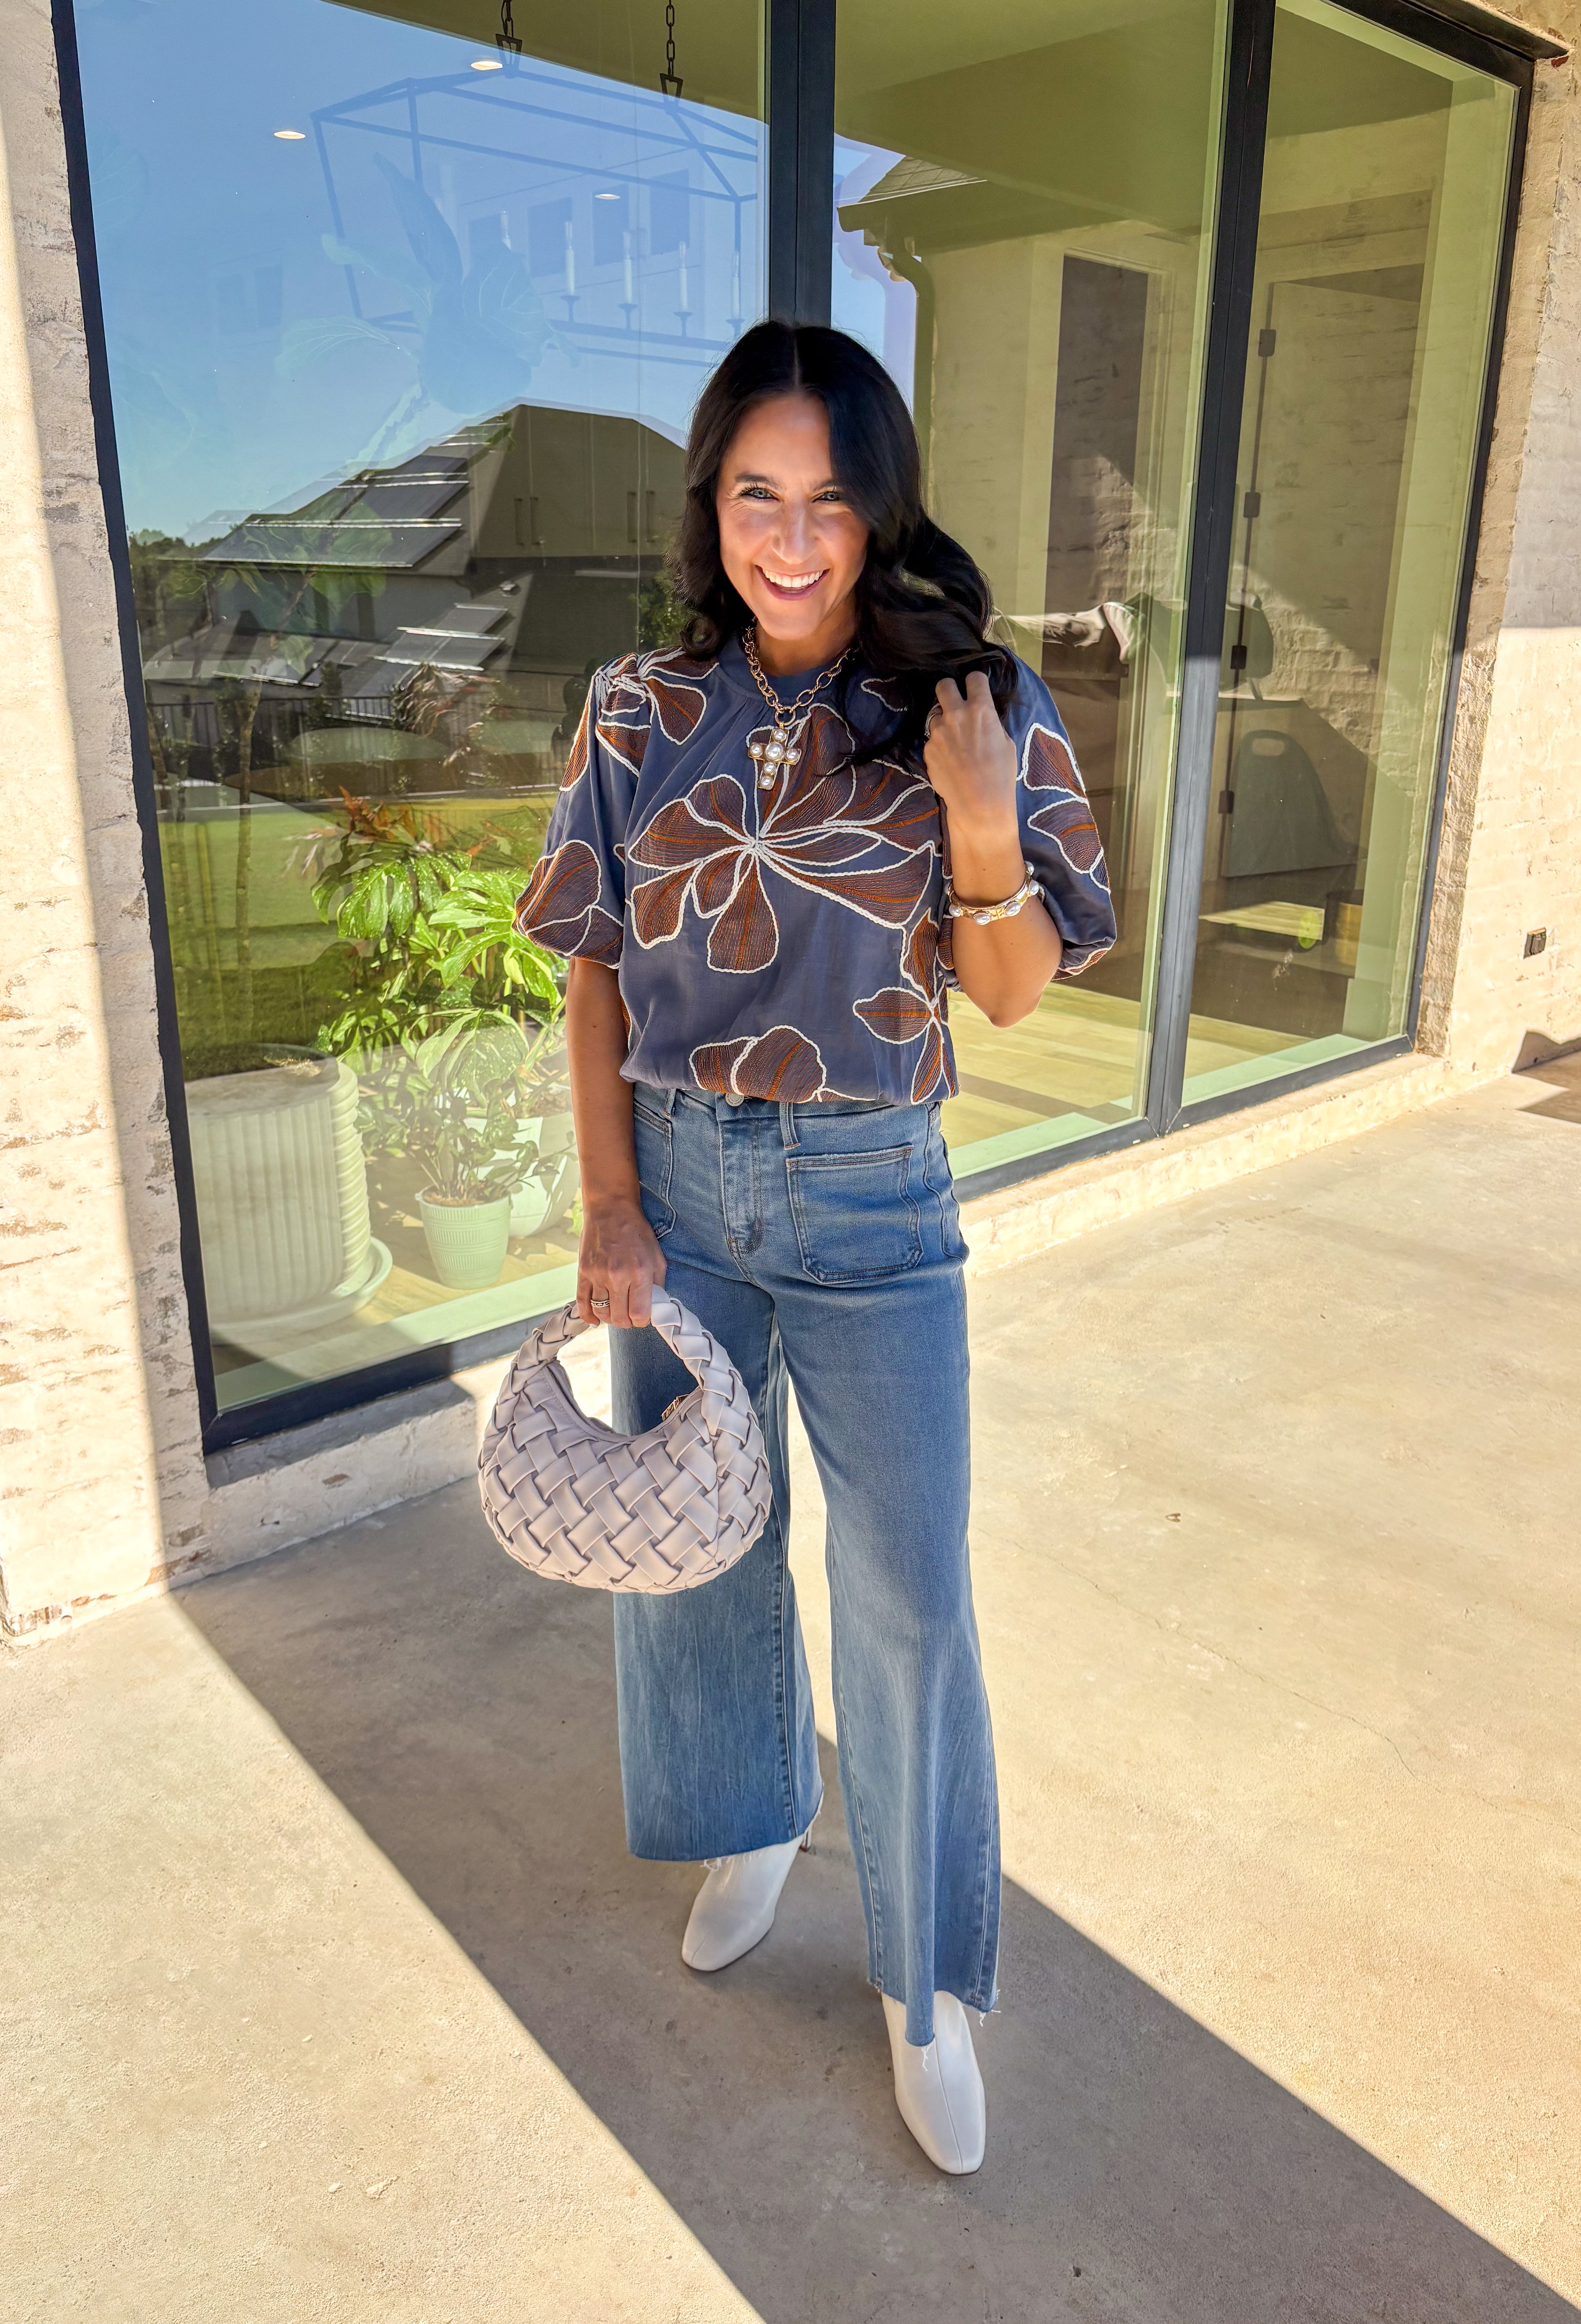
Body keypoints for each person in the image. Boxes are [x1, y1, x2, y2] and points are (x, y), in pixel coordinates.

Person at [515, 321, 1116, 2173]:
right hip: (676, 1192)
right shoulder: (639, 708)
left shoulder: (973, 706)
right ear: (716, 506)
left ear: (879, 517)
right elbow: (596, 964)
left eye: (832, 504)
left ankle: (925, 1982)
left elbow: (1012, 1000)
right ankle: (754, 1815)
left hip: (875, 1196)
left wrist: (985, 830)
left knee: (912, 1595)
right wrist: (610, 1210)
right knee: (691, 1551)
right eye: (759, 497)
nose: (794, 540)